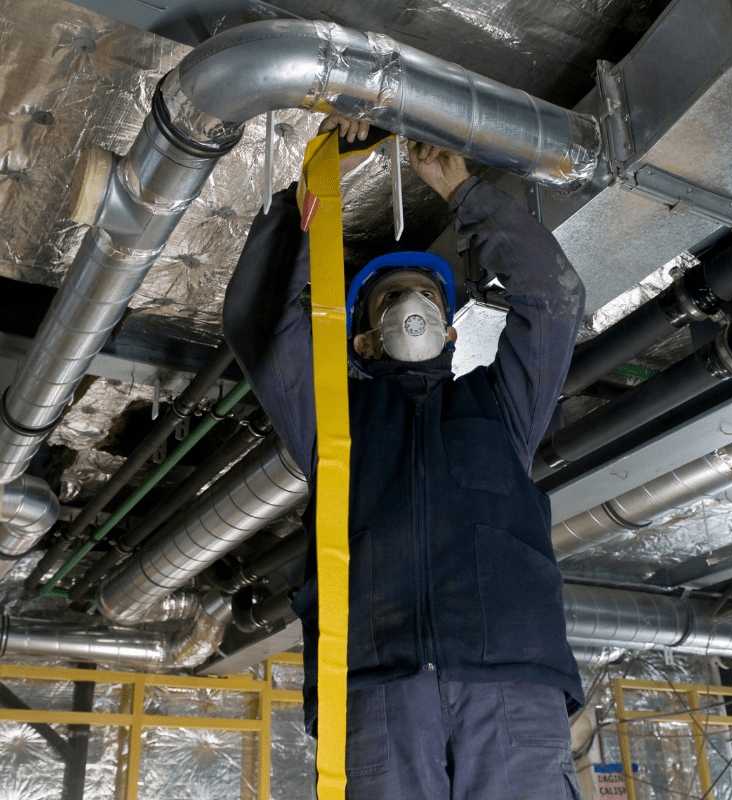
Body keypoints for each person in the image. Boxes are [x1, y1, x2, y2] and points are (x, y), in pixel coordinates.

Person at [223, 114, 587, 800]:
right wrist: (318, 183)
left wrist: (462, 191)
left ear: (452, 330)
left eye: (426, 297)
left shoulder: (501, 408)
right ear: (362, 340)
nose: (411, 307)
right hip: (377, 693)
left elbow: (554, 298)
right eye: (391, 300)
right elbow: (261, 321)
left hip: (510, 687)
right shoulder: (335, 422)